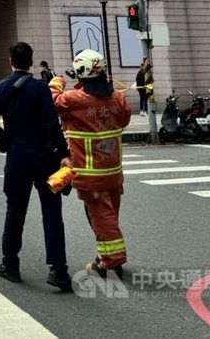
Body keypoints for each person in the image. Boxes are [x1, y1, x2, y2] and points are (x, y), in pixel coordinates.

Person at [0, 42, 73, 292]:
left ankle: (10, 265)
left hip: (17, 158)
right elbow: (53, 126)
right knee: (52, 211)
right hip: (44, 157)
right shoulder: (41, 89)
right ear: (31, 62)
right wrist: (64, 154)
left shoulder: (0, 88)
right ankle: (58, 270)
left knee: (15, 211)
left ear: (11, 61)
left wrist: (4, 138)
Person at [49, 49, 131, 278]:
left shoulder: (74, 99)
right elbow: (124, 120)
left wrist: (56, 82)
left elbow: (53, 102)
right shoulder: (119, 98)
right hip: (113, 170)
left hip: (89, 172)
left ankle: (111, 260)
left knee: (101, 216)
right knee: (110, 213)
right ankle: (103, 255)